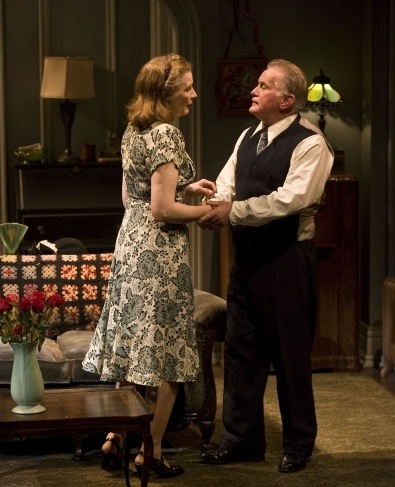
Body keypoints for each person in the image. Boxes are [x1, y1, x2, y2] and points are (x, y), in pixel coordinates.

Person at [82, 53, 216, 478]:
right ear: (165, 93)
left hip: (131, 244)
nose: (193, 94)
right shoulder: (166, 135)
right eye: (187, 87)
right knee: (167, 358)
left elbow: (133, 200)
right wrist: (208, 211)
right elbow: (161, 209)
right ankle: (150, 451)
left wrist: (186, 189)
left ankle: (115, 437)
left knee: (136, 352)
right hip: (159, 253)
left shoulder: (133, 131)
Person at [198, 59, 334, 473]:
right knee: (241, 350)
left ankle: (297, 444)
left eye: (263, 85)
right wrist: (214, 200)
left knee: (290, 355)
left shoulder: (310, 143)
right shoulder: (248, 136)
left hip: (287, 261)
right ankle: (241, 440)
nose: (253, 91)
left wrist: (232, 211)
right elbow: (228, 181)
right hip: (248, 260)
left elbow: (290, 199)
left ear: (287, 100)